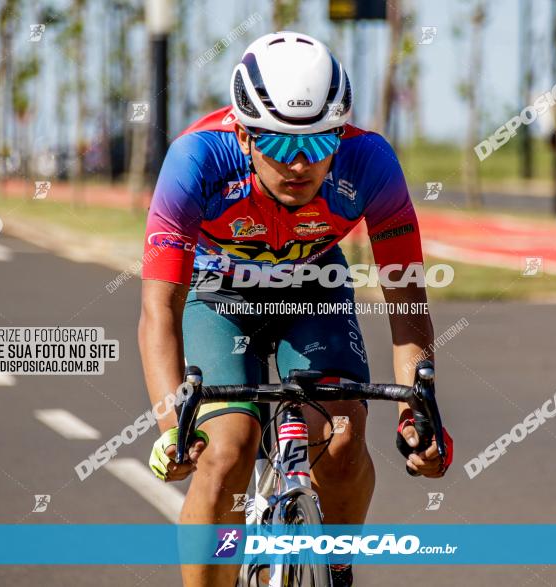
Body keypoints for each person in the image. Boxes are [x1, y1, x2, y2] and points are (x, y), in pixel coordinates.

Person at [138, 32, 453, 587]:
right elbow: (161, 307)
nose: (300, 164)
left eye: (319, 141)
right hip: (219, 294)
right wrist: (173, 427)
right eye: (280, 146)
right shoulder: (196, 159)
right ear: (242, 134)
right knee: (226, 450)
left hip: (315, 286)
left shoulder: (370, 162)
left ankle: (334, 566)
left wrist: (417, 415)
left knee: (344, 437)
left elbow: (406, 300)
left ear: (342, 133)